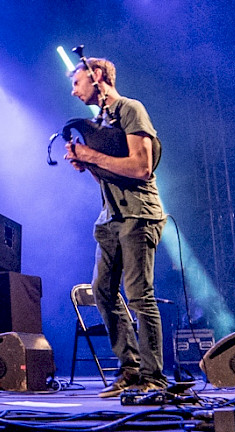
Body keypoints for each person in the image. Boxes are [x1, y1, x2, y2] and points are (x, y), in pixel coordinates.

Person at [65, 57, 167, 397]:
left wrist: (90, 156)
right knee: (102, 292)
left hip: (138, 215)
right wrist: (86, 164)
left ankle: (153, 376)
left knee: (138, 294)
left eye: (77, 82)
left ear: (96, 76)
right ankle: (130, 369)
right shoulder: (99, 123)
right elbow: (109, 174)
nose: (73, 91)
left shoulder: (130, 109)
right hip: (110, 218)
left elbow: (141, 168)